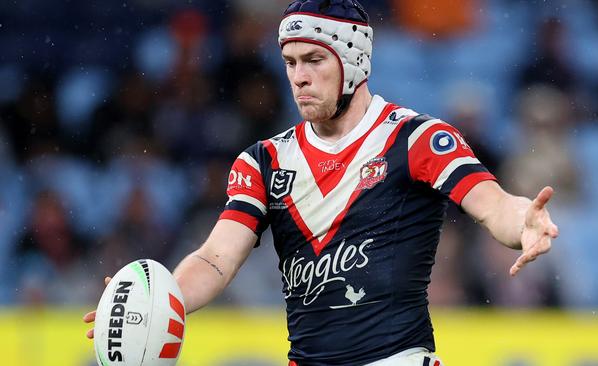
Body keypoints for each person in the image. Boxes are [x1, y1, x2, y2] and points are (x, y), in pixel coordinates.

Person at [84, 1, 559, 365]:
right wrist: (157, 303)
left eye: (314, 59)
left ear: (354, 62)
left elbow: (493, 205)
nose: (299, 77)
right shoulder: (264, 161)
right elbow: (215, 257)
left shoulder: (416, 139)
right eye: (290, 62)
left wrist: (524, 221)